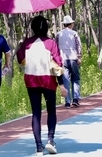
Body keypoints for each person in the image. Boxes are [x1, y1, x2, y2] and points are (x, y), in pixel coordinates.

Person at [17, 15, 68, 156]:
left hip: (31, 80)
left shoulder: (27, 43)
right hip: (48, 81)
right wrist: (62, 85)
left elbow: (20, 59)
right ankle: (50, 140)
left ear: (33, 28)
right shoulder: (51, 43)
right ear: (46, 28)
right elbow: (57, 65)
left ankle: (39, 147)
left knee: (36, 113)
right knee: (51, 110)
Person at [56, 15, 82, 108]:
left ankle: (67, 102)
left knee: (66, 79)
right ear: (71, 24)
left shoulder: (58, 34)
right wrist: (79, 57)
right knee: (76, 78)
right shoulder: (74, 33)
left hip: (63, 59)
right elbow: (78, 45)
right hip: (73, 58)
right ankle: (75, 99)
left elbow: (56, 47)